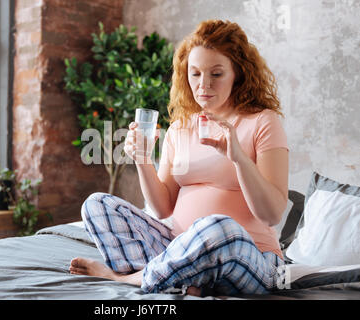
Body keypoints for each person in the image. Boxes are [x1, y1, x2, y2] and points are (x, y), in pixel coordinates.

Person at [69, 19, 289, 297]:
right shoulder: (180, 127)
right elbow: (162, 209)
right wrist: (142, 158)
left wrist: (239, 159)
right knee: (97, 205)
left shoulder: (262, 122)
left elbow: (272, 215)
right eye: (195, 74)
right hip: (178, 248)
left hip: (250, 256)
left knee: (217, 226)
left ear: (239, 73)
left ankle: (129, 279)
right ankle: (183, 276)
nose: (203, 85)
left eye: (216, 74)